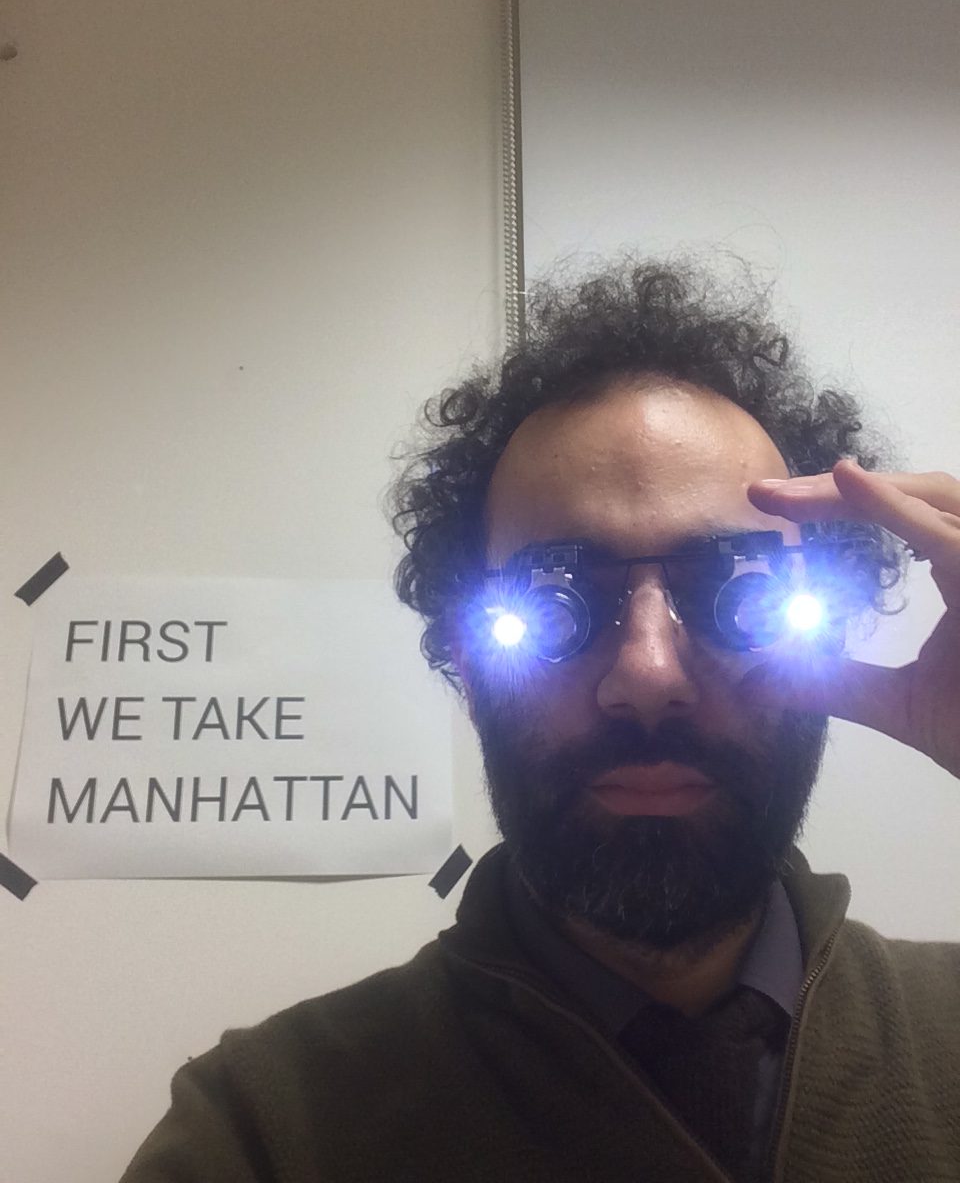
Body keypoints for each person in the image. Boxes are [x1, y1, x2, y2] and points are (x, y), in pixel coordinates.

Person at [121, 262, 960, 1182]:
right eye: (553, 604)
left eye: (739, 591)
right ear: (466, 654)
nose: (646, 677)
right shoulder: (266, 1130)